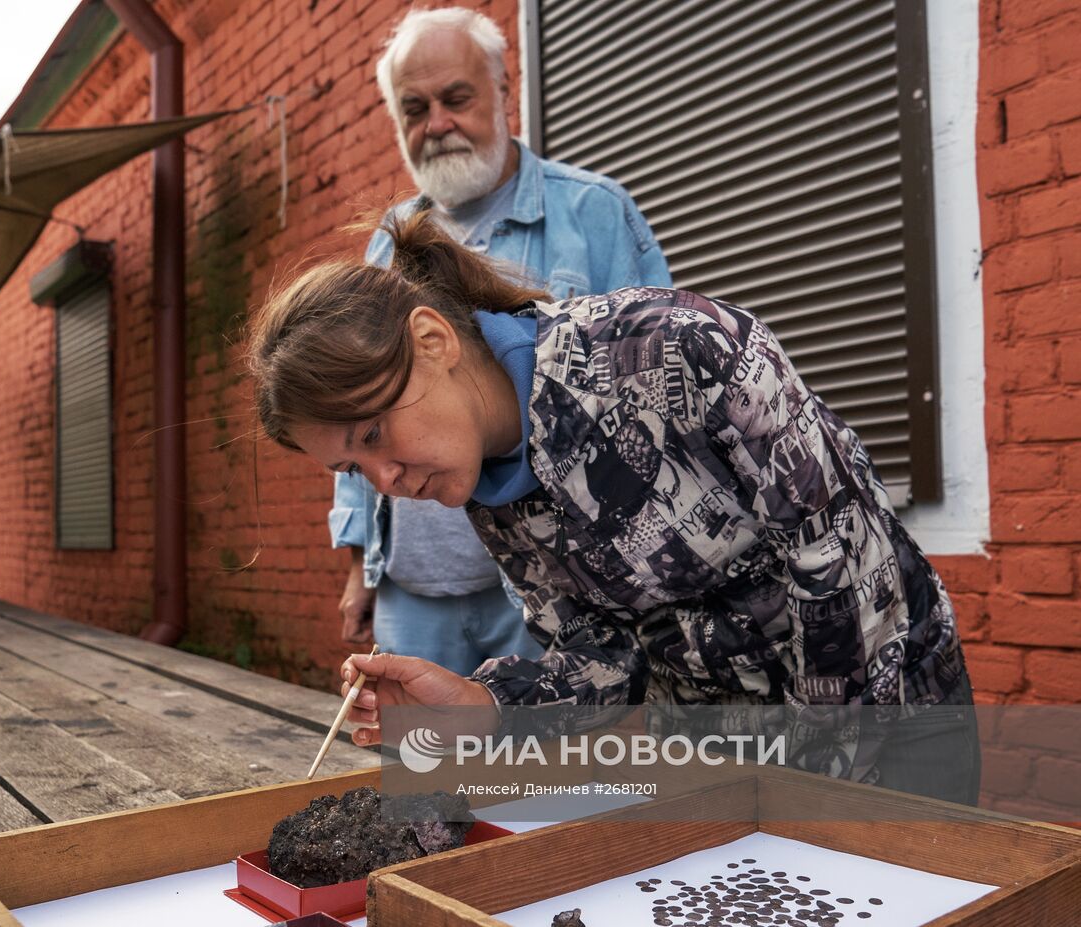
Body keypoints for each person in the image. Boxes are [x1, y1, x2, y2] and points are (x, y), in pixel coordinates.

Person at [251, 210, 979, 802]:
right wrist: (481, 704)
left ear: (433, 338)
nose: (386, 479)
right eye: (353, 467)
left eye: (374, 432)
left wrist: (806, 786)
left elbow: (844, 570)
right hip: (715, 753)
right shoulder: (488, 495)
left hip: (894, 718)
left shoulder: (678, 349)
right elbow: (605, 659)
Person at [331, 7, 671, 675]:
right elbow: (350, 420)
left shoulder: (594, 214)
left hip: (559, 583)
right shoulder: (386, 243)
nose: (437, 124)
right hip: (412, 585)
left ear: (503, 91)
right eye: (415, 108)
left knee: (546, 775)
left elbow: (657, 402)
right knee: (426, 773)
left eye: (456, 97)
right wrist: (359, 566)